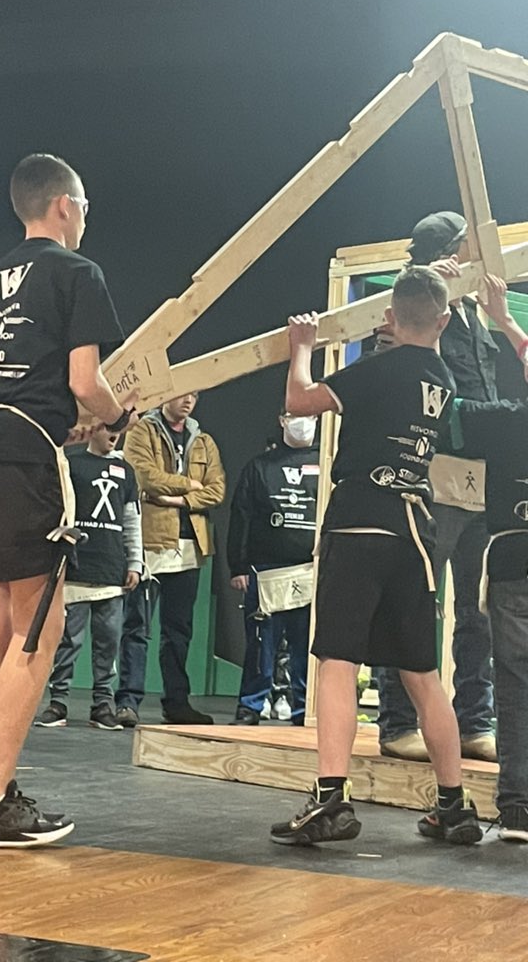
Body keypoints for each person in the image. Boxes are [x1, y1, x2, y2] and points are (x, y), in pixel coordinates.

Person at [0, 152, 137, 848]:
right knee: (38, 630)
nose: (85, 218)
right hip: (23, 459)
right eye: (83, 206)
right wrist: (112, 420)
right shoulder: (79, 273)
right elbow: (86, 382)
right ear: (65, 206)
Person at [270, 265, 482, 846]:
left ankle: (330, 801)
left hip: (361, 518)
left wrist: (303, 348)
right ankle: (454, 805)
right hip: (416, 529)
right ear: (442, 320)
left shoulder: (377, 367)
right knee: (422, 672)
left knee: (337, 660)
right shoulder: (443, 378)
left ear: (387, 319)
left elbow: (299, 398)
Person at [377, 212, 498, 764]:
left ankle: (475, 720)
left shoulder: (471, 312)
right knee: (412, 597)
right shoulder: (410, 315)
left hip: (477, 473)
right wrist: (426, 289)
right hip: (428, 470)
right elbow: (394, 376)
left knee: (478, 606)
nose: (470, 257)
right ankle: (399, 721)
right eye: (461, 249)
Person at [450, 273, 528, 841]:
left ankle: (520, 806)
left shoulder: (503, 420)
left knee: (517, 681)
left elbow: (436, 394)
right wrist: (505, 323)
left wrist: (496, 320)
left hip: (512, 562)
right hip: (512, 565)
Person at [116, 392, 226, 726]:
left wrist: (174, 499)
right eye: (182, 393)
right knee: (137, 626)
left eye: (195, 394)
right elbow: (142, 476)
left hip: (190, 545)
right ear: (165, 396)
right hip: (151, 542)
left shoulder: (204, 441)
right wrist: (190, 485)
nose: (189, 400)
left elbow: (217, 490)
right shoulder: (142, 432)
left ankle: (177, 702)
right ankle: (128, 702)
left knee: (179, 631)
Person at [34, 428, 142, 730]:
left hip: (111, 570)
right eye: (108, 429)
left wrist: (135, 562)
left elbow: (132, 519)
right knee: (68, 639)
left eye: (119, 430)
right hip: (78, 567)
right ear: (94, 428)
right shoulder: (72, 463)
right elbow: (57, 511)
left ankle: (103, 703)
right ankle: (58, 701)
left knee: (108, 641)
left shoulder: (126, 472)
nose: (114, 435)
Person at [227, 414, 319, 726]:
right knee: (260, 645)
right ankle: (251, 705)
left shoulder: (327, 464)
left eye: (311, 416)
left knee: (306, 647)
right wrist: (238, 566)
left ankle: (304, 708)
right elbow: (241, 517)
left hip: (311, 571)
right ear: (282, 420)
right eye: (297, 416)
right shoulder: (259, 466)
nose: (304, 422)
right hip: (265, 571)